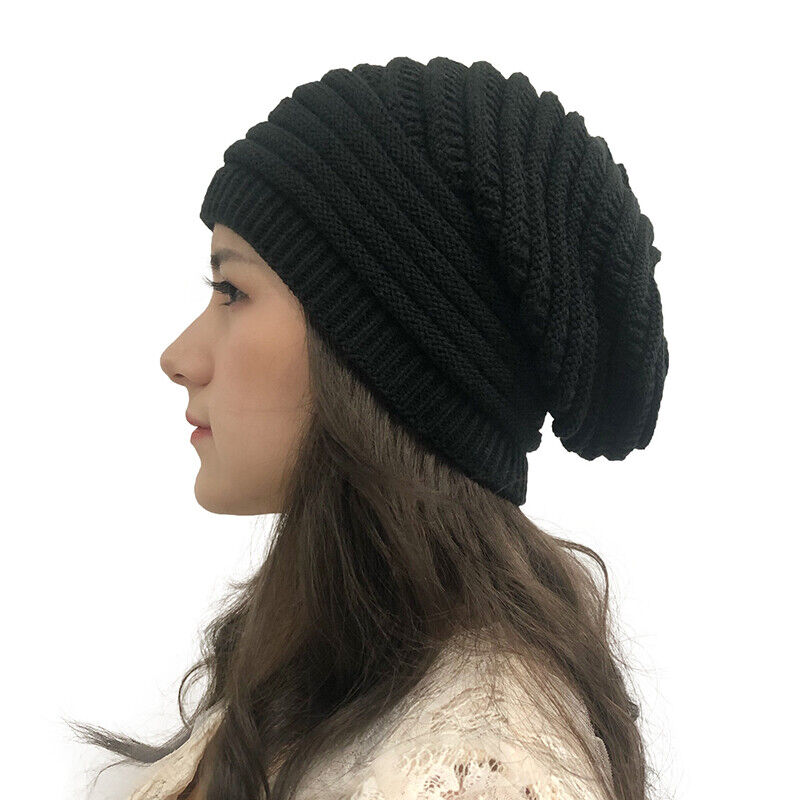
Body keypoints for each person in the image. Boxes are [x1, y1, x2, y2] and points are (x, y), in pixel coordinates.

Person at [72, 55, 668, 800]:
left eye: (232, 290)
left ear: (385, 356)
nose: (179, 358)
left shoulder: (477, 768)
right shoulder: (331, 674)